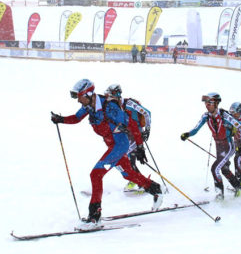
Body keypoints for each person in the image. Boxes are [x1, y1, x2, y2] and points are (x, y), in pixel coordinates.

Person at [51, 79, 163, 223]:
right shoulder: (89, 107)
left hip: (120, 145)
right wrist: (61, 119)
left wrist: (140, 147)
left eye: (80, 97)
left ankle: (94, 217)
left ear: (89, 93)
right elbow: (76, 118)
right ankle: (155, 189)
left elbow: (132, 124)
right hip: (112, 147)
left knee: (96, 174)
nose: (79, 101)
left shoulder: (109, 107)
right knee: (128, 174)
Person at [180, 92, 241, 200]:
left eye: (210, 102)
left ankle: (220, 194)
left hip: (228, 146)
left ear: (216, 103)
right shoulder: (206, 116)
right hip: (219, 146)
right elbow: (196, 129)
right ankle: (238, 186)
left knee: (215, 168)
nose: (207, 105)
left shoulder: (225, 115)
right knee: (223, 169)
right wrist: (188, 134)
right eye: (206, 103)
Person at [104, 84, 152, 193]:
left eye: (109, 95)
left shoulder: (128, 103)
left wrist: (147, 130)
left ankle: (141, 183)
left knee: (127, 161)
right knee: (126, 161)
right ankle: (138, 181)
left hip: (137, 135)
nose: (108, 98)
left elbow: (147, 113)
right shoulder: (113, 106)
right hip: (128, 136)